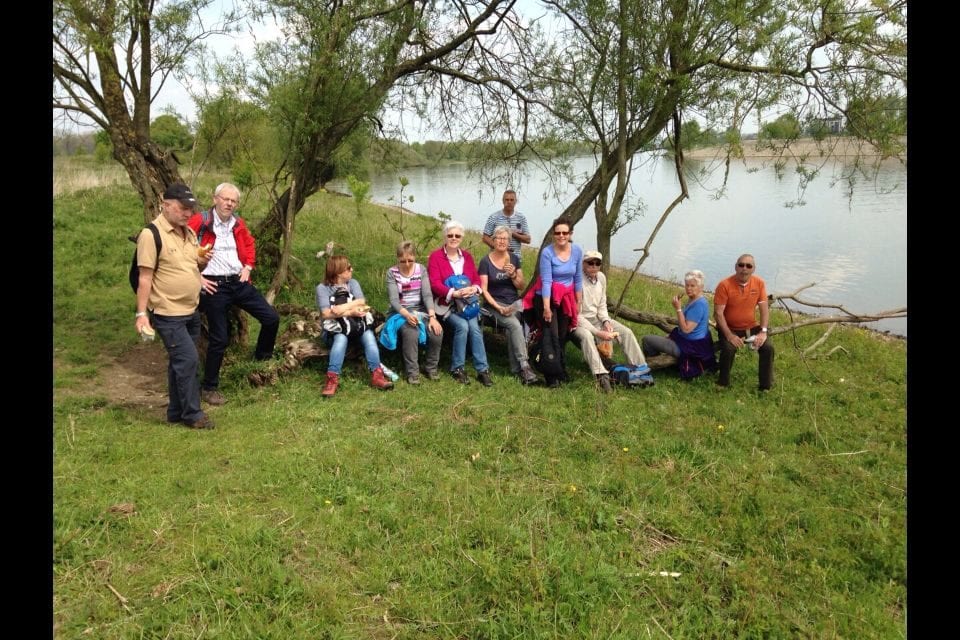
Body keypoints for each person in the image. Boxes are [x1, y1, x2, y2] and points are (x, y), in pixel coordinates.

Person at [188, 183, 280, 406]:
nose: (229, 204)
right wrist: (197, 277)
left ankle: (261, 358)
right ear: (215, 199)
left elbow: (249, 244)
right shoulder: (200, 221)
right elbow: (182, 247)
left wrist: (248, 266)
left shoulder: (238, 223)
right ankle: (209, 387)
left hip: (238, 282)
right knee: (220, 337)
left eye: (233, 201)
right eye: (225, 199)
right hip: (214, 285)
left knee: (271, 318)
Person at [134, 183, 215, 429]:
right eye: (182, 208)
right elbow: (145, 277)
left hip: (190, 310)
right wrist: (141, 314)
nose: (188, 213)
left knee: (178, 364)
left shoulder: (188, 232)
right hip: (168, 313)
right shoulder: (151, 234)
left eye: (190, 208)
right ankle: (193, 415)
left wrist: (201, 261)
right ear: (166, 204)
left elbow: (193, 268)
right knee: (188, 360)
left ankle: (175, 412)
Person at [316, 255, 395, 397]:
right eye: (348, 267)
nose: (352, 269)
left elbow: (362, 301)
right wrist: (350, 311)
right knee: (340, 340)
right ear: (339, 271)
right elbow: (326, 313)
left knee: (369, 338)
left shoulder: (352, 283)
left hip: (357, 326)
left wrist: (343, 309)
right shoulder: (323, 288)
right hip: (335, 329)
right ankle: (332, 379)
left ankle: (377, 375)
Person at [570, 250, 648, 392]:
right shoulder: (577, 280)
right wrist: (598, 333)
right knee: (587, 336)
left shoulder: (601, 278)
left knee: (626, 332)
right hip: (579, 321)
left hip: (597, 318)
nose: (594, 266)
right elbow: (576, 315)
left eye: (597, 263)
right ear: (583, 264)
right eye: (590, 262)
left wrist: (606, 321)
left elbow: (602, 304)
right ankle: (602, 376)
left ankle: (641, 372)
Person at [427, 220, 494, 386]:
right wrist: (453, 292)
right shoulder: (436, 257)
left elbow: (476, 279)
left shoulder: (467, 257)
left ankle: (482, 370)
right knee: (463, 327)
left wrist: (474, 289)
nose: (453, 238)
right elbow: (434, 283)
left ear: (461, 238)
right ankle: (457, 368)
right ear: (445, 236)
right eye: (450, 235)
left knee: (475, 329)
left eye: (457, 235)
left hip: (467, 304)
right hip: (447, 304)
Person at [525, 216, 583, 388]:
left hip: (565, 297)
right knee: (551, 334)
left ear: (570, 233)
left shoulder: (577, 251)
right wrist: (546, 308)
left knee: (563, 335)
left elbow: (578, 278)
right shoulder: (547, 253)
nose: (561, 236)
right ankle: (550, 376)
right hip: (546, 296)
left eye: (565, 232)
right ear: (553, 234)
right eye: (558, 233)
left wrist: (578, 302)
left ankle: (560, 369)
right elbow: (547, 281)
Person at [478, 226, 539, 385]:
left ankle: (516, 368)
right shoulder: (485, 261)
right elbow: (483, 290)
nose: (501, 241)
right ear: (493, 240)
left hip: (513, 304)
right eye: (498, 238)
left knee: (516, 324)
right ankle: (524, 366)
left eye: (505, 238)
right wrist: (498, 308)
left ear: (509, 241)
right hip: (493, 304)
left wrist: (513, 275)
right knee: (514, 325)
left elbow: (521, 285)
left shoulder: (514, 259)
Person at [383, 240, 444, 384]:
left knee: (437, 332)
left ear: (415, 257)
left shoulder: (421, 269)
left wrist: (432, 316)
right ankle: (412, 372)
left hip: (421, 310)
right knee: (411, 332)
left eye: (410, 260)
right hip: (400, 312)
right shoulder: (392, 273)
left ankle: (431, 367)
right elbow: (394, 301)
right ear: (398, 258)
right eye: (403, 261)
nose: (407, 264)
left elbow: (427, 295)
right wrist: (407, 315)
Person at [641, 269, 717, 380]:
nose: (688, 288)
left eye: (692, 286)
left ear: (701, 287)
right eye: (687, 285)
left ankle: (656, 364)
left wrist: (678, 309)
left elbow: (686, 329)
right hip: (691, 341)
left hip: (691, 347)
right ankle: (663, 362)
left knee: (647, 340)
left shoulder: (698, 305)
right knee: (663, 338)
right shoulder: (697, 300)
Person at [714, 254, 774, 391]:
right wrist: (729, 335)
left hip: (751, 327)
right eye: (741, 265)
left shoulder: (759, 283)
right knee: (728, 349)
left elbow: (764, 309)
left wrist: (763, 332)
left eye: (748, 266)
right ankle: (723, 383)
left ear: (753, 269)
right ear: (736, 266)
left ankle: (765, 386)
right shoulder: (724, 285)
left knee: (768, 348)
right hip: (729, 328)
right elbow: (718, 313)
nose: (744, 269)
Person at [481, 189, 530, 261]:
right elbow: (485, 238)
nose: (509, 202)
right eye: (507, 200)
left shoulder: (521, 217)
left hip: (515, 259)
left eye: (511, 200)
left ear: (515, 201)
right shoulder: (494, 217)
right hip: (497, 258)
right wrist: (499, 247)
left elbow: (528, 239)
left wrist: (512, 233)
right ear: (503, 201)